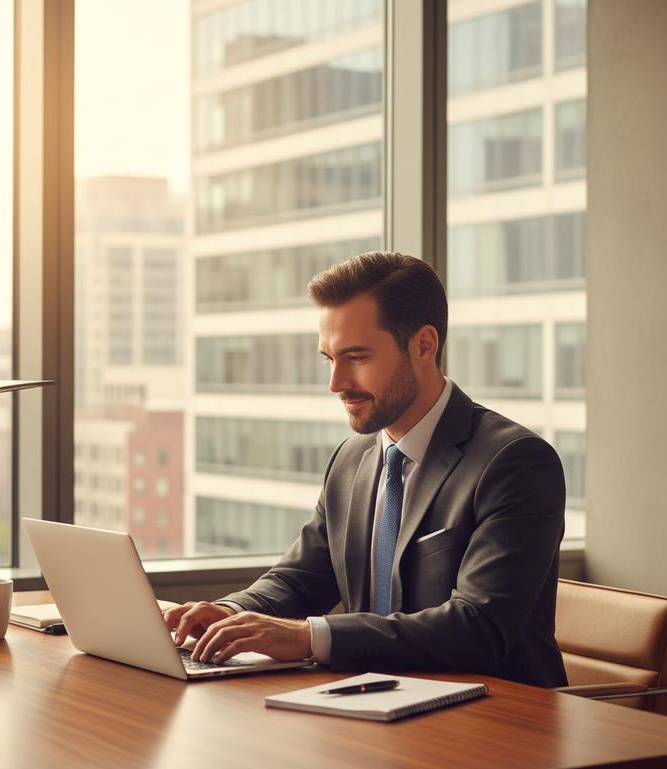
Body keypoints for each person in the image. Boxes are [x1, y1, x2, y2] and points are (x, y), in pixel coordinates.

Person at [165, 251, 568, 687]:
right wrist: (229, 613)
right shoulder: (352, 459)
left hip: (497, 720)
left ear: (423, 345)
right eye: (329, 358)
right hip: (376, 705)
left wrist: (307, 637)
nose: (335, 383)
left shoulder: (515, 463)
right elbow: (301, 578)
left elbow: (479, 628)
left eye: (356, 357)